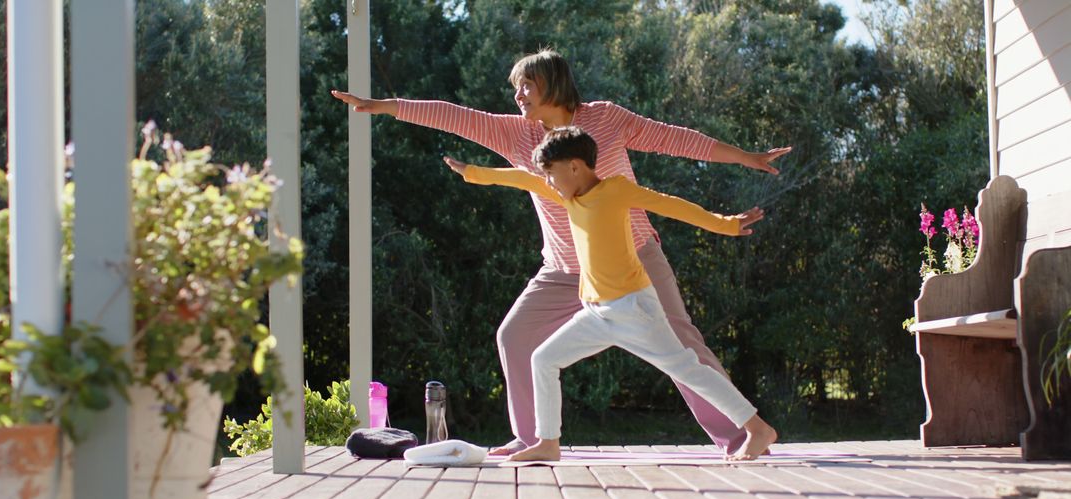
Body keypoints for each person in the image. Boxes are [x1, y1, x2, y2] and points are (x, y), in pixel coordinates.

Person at [332, 49, 791, 456]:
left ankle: (742, 434)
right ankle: (534, 440)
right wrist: (382, 107)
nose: (518, 96)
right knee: (515, 337)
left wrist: (746, 157)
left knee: (684, 346)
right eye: (515, 88)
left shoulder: (605, 119)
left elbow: (674, 138)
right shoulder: (517, 135)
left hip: (634, 260)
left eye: (525, 85)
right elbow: (450, 114)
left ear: (552, 82)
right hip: (563, 271)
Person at [442, 127, 777, 461]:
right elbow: (522, 178)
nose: (547, 182)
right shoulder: (568, 196)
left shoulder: (616, 190)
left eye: (552, 173)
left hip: (634, 309)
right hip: (597, 312)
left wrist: (727, 224)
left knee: (687, 369)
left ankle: (757, 428)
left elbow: (672, 205)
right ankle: (547, 443)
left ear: (575, 166)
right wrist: (472, 172)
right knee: (543, 359)